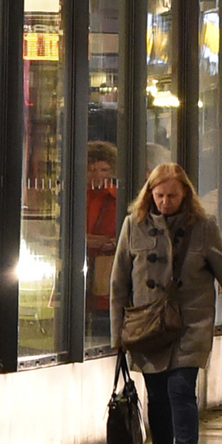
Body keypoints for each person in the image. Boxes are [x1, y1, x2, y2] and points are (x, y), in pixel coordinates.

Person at [110, 164, 222, 444]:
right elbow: (119, 283)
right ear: (149, 194)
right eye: (160, 195)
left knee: (180, 390)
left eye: (172, 196)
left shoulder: (203, 227)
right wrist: (117, 335)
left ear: (185, 195)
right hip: (148, 325)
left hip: (190, 324)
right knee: (157, 397)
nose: (165, 202)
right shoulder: (132, 226)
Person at [86, 142, 121, 340]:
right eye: (92, 169)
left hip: (105, 271)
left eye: (104, 169)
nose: (98, 174)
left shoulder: (118, 198)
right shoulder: (76, 196)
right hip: (82, 270)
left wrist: (113, 243)